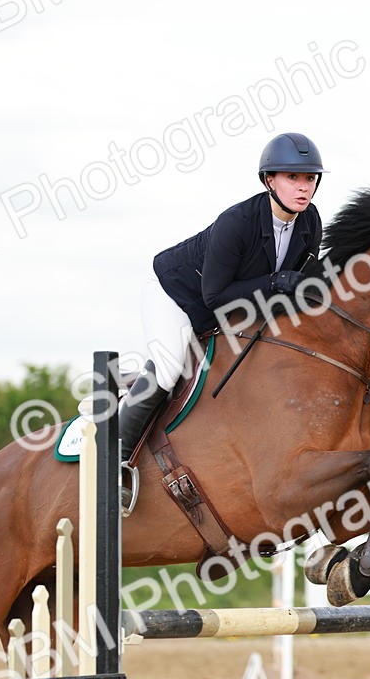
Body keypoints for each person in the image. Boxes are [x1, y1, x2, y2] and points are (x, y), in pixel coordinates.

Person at [120, 132, 325, 465]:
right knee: (171, 366)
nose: (304, 187)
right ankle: (115, 457)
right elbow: (215, 296)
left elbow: (292, 289)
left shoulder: (311, 222)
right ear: (269, 180)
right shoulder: (237, 223)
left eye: (309, 178)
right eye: (293, 177)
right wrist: (274, 281)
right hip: (176, 294)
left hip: (233, 308)